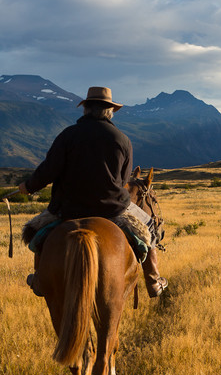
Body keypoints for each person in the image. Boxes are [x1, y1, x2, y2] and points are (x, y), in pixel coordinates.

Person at [18, 86, 167, 297]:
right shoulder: (122, 139)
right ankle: (153, 281)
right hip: (113, 210)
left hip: (67, 209)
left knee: (35, 231)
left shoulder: (67, 136)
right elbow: (124, 180)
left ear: (86, 109)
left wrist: (28, 186)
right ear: (110, 111)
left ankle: (40, 278)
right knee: (149, 226)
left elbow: (48, 170)